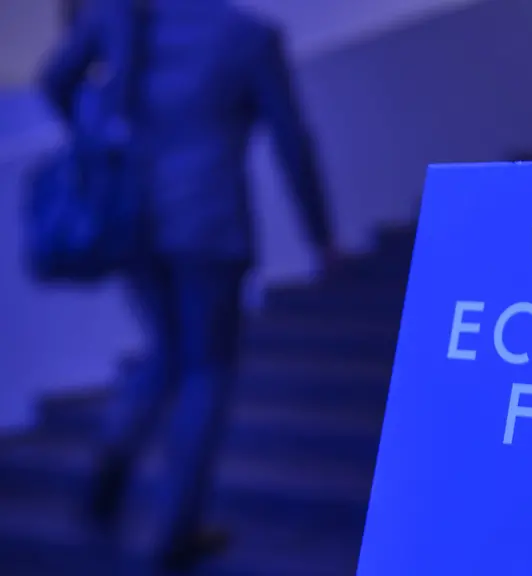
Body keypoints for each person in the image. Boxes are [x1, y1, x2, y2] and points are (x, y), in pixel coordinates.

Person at [38, 0, 340, 570]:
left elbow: (55, 82)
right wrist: (321, 235)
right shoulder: (246, 35)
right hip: (209, 223)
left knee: (166, 352)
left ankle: (110, 470)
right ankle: (175, 528)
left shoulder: (118, 17)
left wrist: (95, 134)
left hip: (133, 217)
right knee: (205, 369)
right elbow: (291, 139)